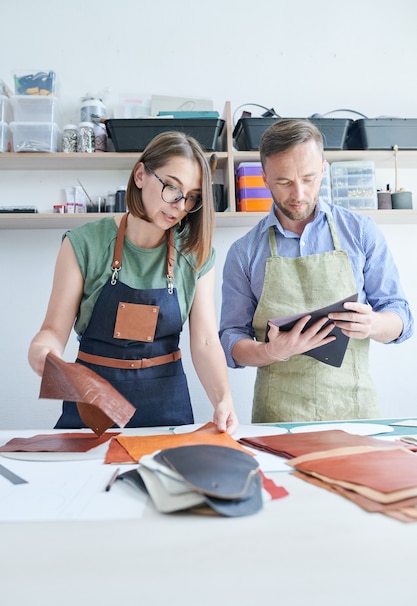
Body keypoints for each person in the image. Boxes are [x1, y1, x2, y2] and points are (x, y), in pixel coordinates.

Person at [29, 131, 238, 434]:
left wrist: (224, 398)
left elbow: (205, 341)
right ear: (141, 174)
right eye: (171, 187)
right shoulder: (84, 243)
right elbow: (52, 332)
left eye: (192, 196)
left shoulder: (196, 253)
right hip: (92, 409)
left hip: (167, 408)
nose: (180, 205)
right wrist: (42, 350)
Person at [219, 118, 413, 423]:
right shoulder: (244, 252)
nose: (298, 193)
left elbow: (401, 317)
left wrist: (373, 323)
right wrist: (271, 352)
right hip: (277, 418)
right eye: (284, 181)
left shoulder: (361, 232)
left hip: (356, 413)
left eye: (309, 178)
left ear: (323, 169)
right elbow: (231, 340)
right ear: (265, 179)